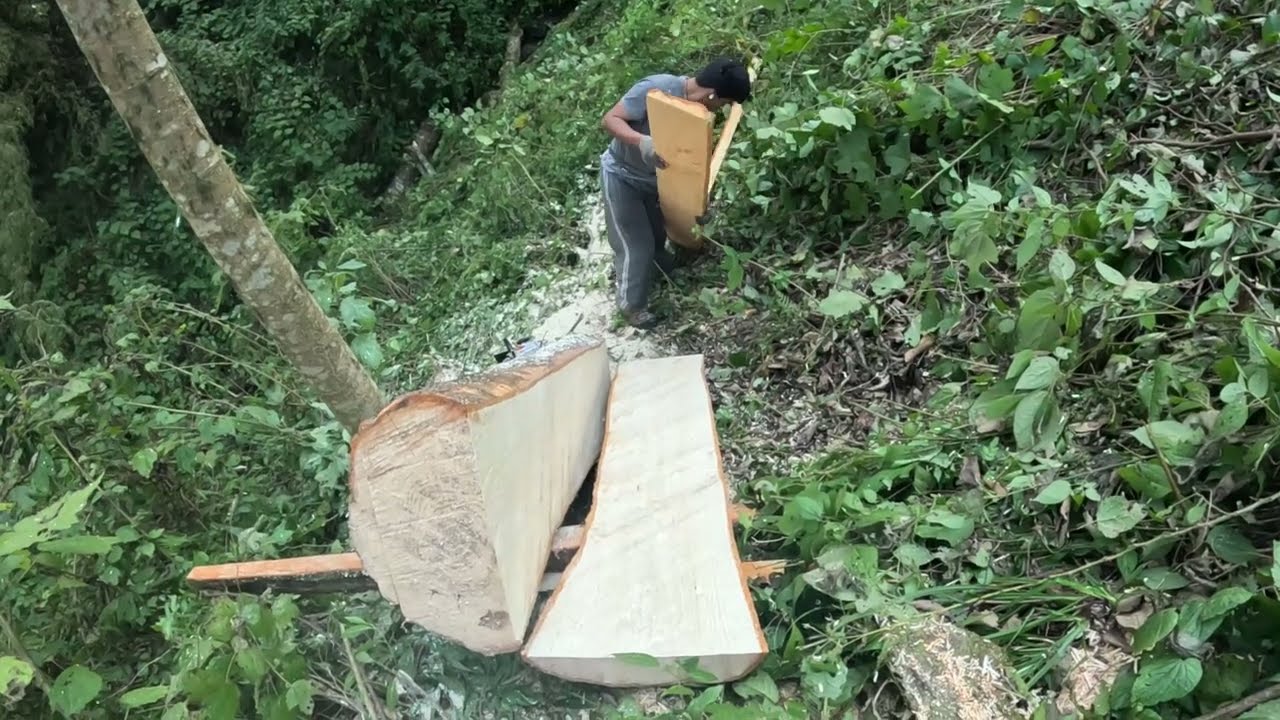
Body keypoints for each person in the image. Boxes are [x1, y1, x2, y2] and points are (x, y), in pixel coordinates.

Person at [599, 57, 752, 329]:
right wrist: (641, 141)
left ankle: (659, 274)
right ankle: (631, 306)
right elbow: (610, 119)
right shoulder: (659, 88)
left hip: (654, 179)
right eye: (724, 103)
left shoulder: (694, 112)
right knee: (635, 244)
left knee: (657, 237)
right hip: (622, 175)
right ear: (712, 94)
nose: (722, 109)